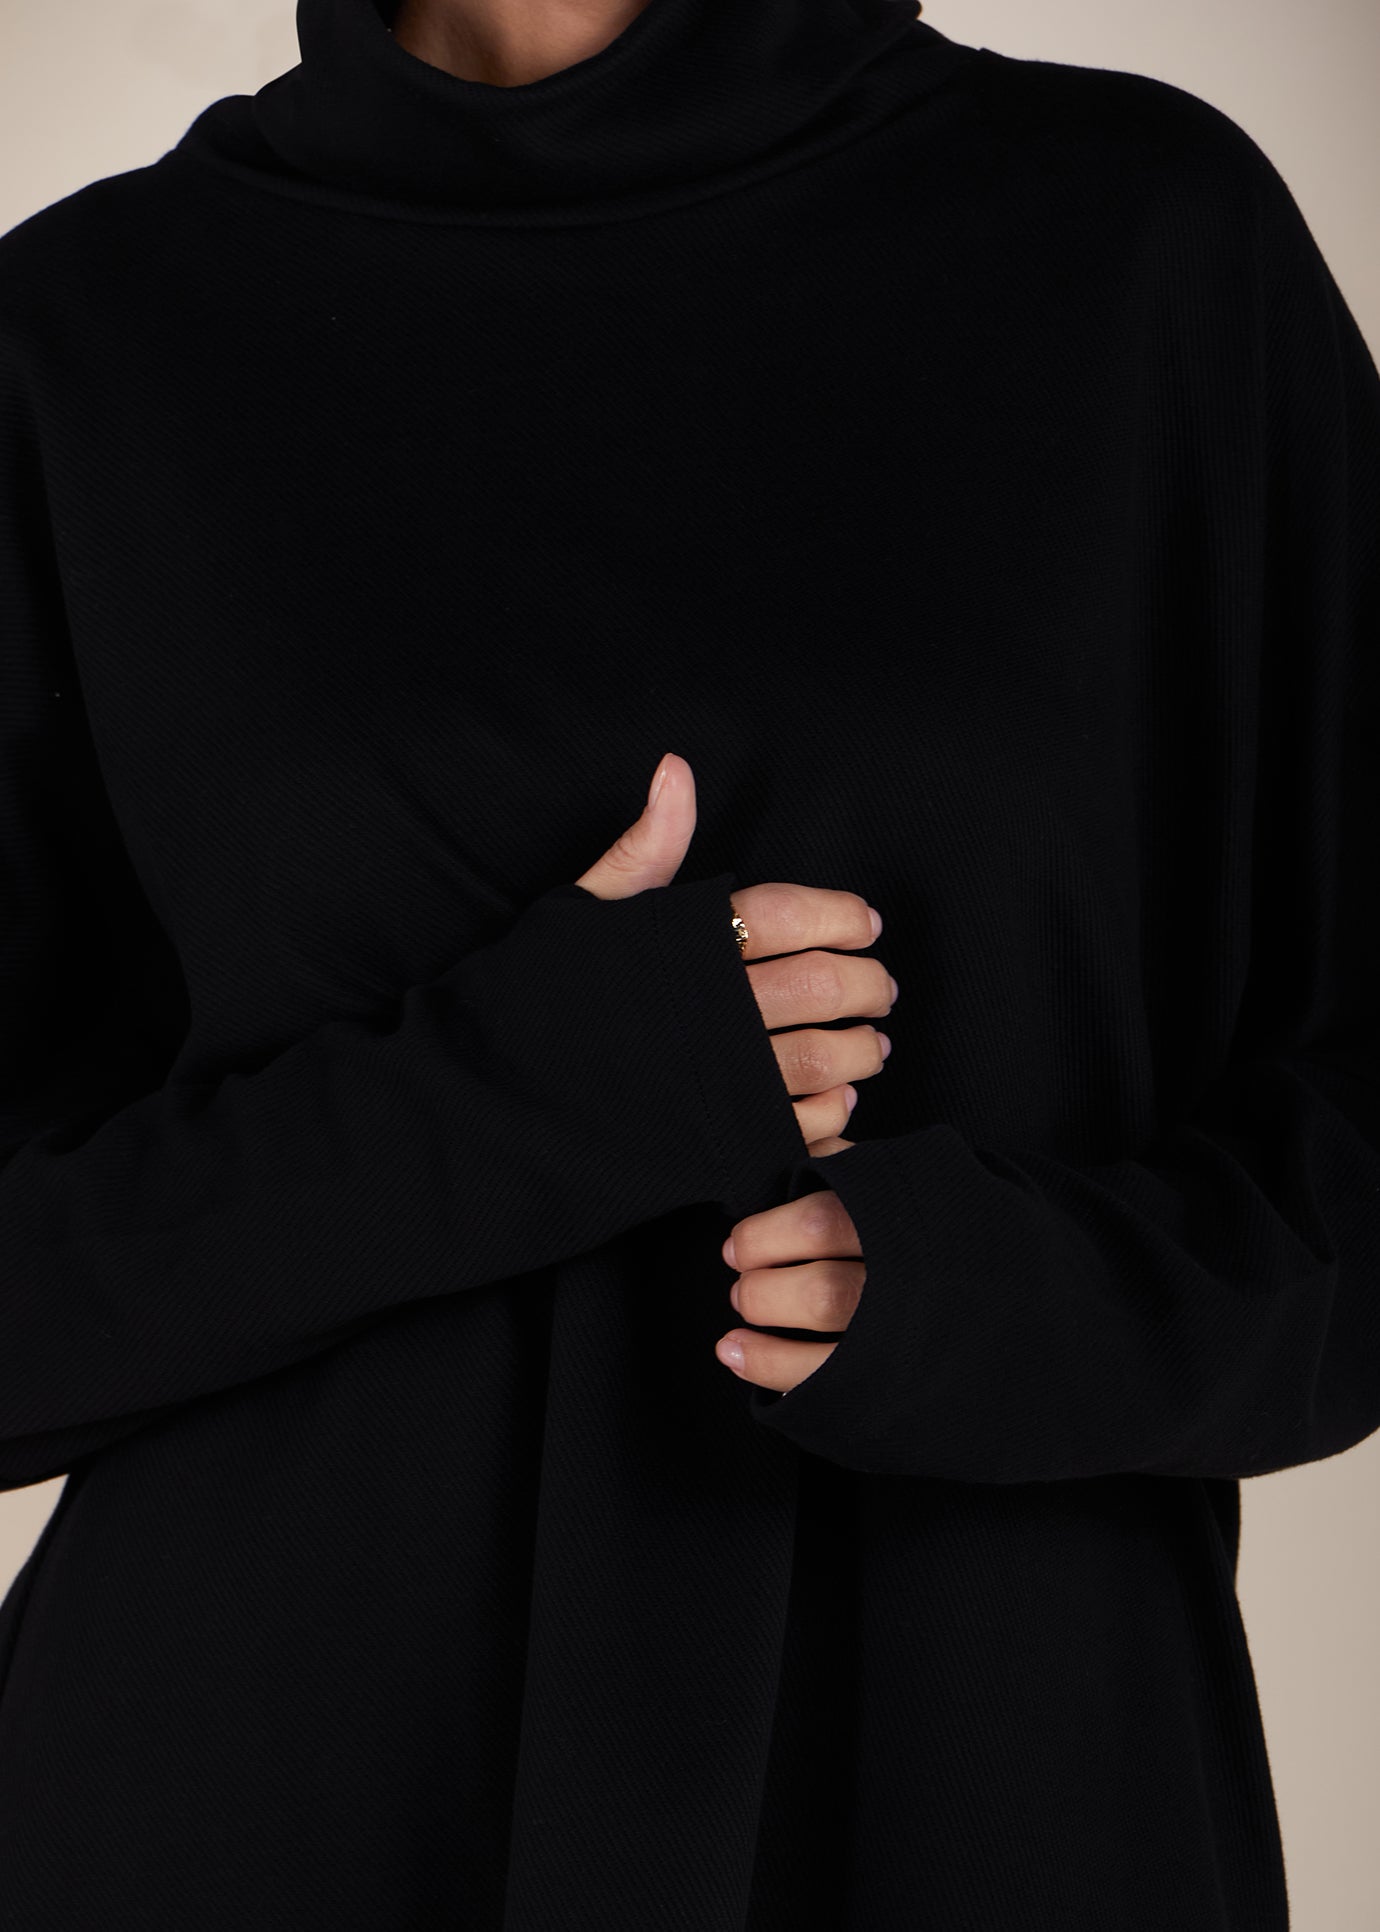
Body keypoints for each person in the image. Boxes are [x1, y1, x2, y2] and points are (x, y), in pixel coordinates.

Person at [1, 0, 1377, 1925]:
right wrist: (514, 1095)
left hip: (979, 1779)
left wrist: (1022, 1302)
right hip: (255, 1804)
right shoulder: (80, 337)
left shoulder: (1136, 237)